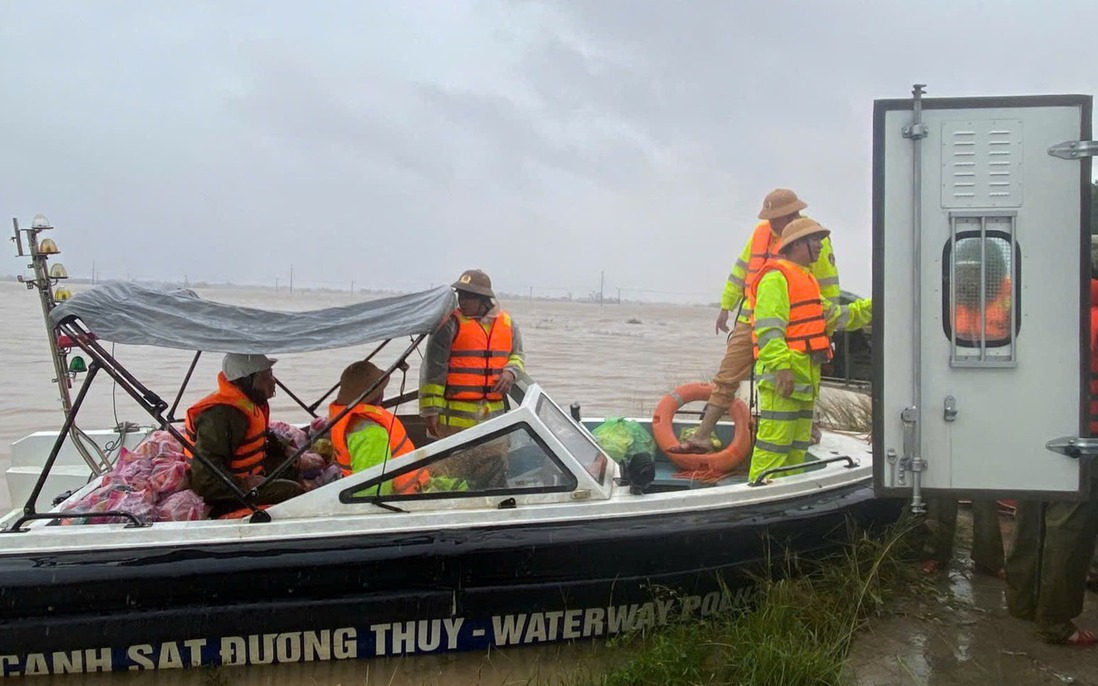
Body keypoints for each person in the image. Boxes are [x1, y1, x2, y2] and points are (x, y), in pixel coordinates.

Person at [675, 188, 841, 453]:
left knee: (800, 377)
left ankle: (808, 428)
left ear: (792, 215)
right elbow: (740, 270)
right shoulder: (761, 234)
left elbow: (828, 286)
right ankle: (702, 435)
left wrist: (826, 328)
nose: (771, 222)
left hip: (795, 322)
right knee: (727, 376)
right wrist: (726, 306)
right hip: (751, 317)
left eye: (775, 217)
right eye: (770, 217)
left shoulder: (812, 239)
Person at [1005, 275, 1098, 645]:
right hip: (1084, 439)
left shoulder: (1039, 314)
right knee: (1070, 530)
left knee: (1031, 516)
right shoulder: (1093, 318)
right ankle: (1055, 622)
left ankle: (1022, 602)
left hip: (1038, 427)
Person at [744, 218, 871, 483]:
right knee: (774, 445)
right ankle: (760, 494)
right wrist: (782, 367)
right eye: (815, 240)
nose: (820, 246)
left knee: (796, 448)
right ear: (797, 244)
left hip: (804, 379)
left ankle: (784, 494)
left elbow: (839, 317)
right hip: (784, 379)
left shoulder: (807, 281)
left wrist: (878, 303)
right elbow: (769, 329)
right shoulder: (775, 278)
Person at [419, 268, 525, 488]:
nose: (462, 300)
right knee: (449, 479)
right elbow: (433, 372)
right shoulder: (448, 325)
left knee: (493, 476)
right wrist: (430, 413)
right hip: (453, 424)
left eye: (469, 296)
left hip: (493, 421)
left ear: (484, 299)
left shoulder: (508, 324)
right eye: (460, 295)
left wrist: (510, 372)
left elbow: (518, 355)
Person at [185, 353, 303, 515]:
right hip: (222, 492)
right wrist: (245, 484)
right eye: (267, 375)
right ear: (247, 380)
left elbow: (260, 435)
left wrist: (284, 448)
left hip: (243, 474)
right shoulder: (221, 416)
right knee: (293, 491)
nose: (273, 381)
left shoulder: (247, 401)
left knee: (290, 463)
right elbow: (204, 480)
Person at [329, 360, 426, 493]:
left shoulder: (349, 420)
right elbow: (374, 490)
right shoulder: (371, 433)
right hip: (407, 496)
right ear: (378, 395)